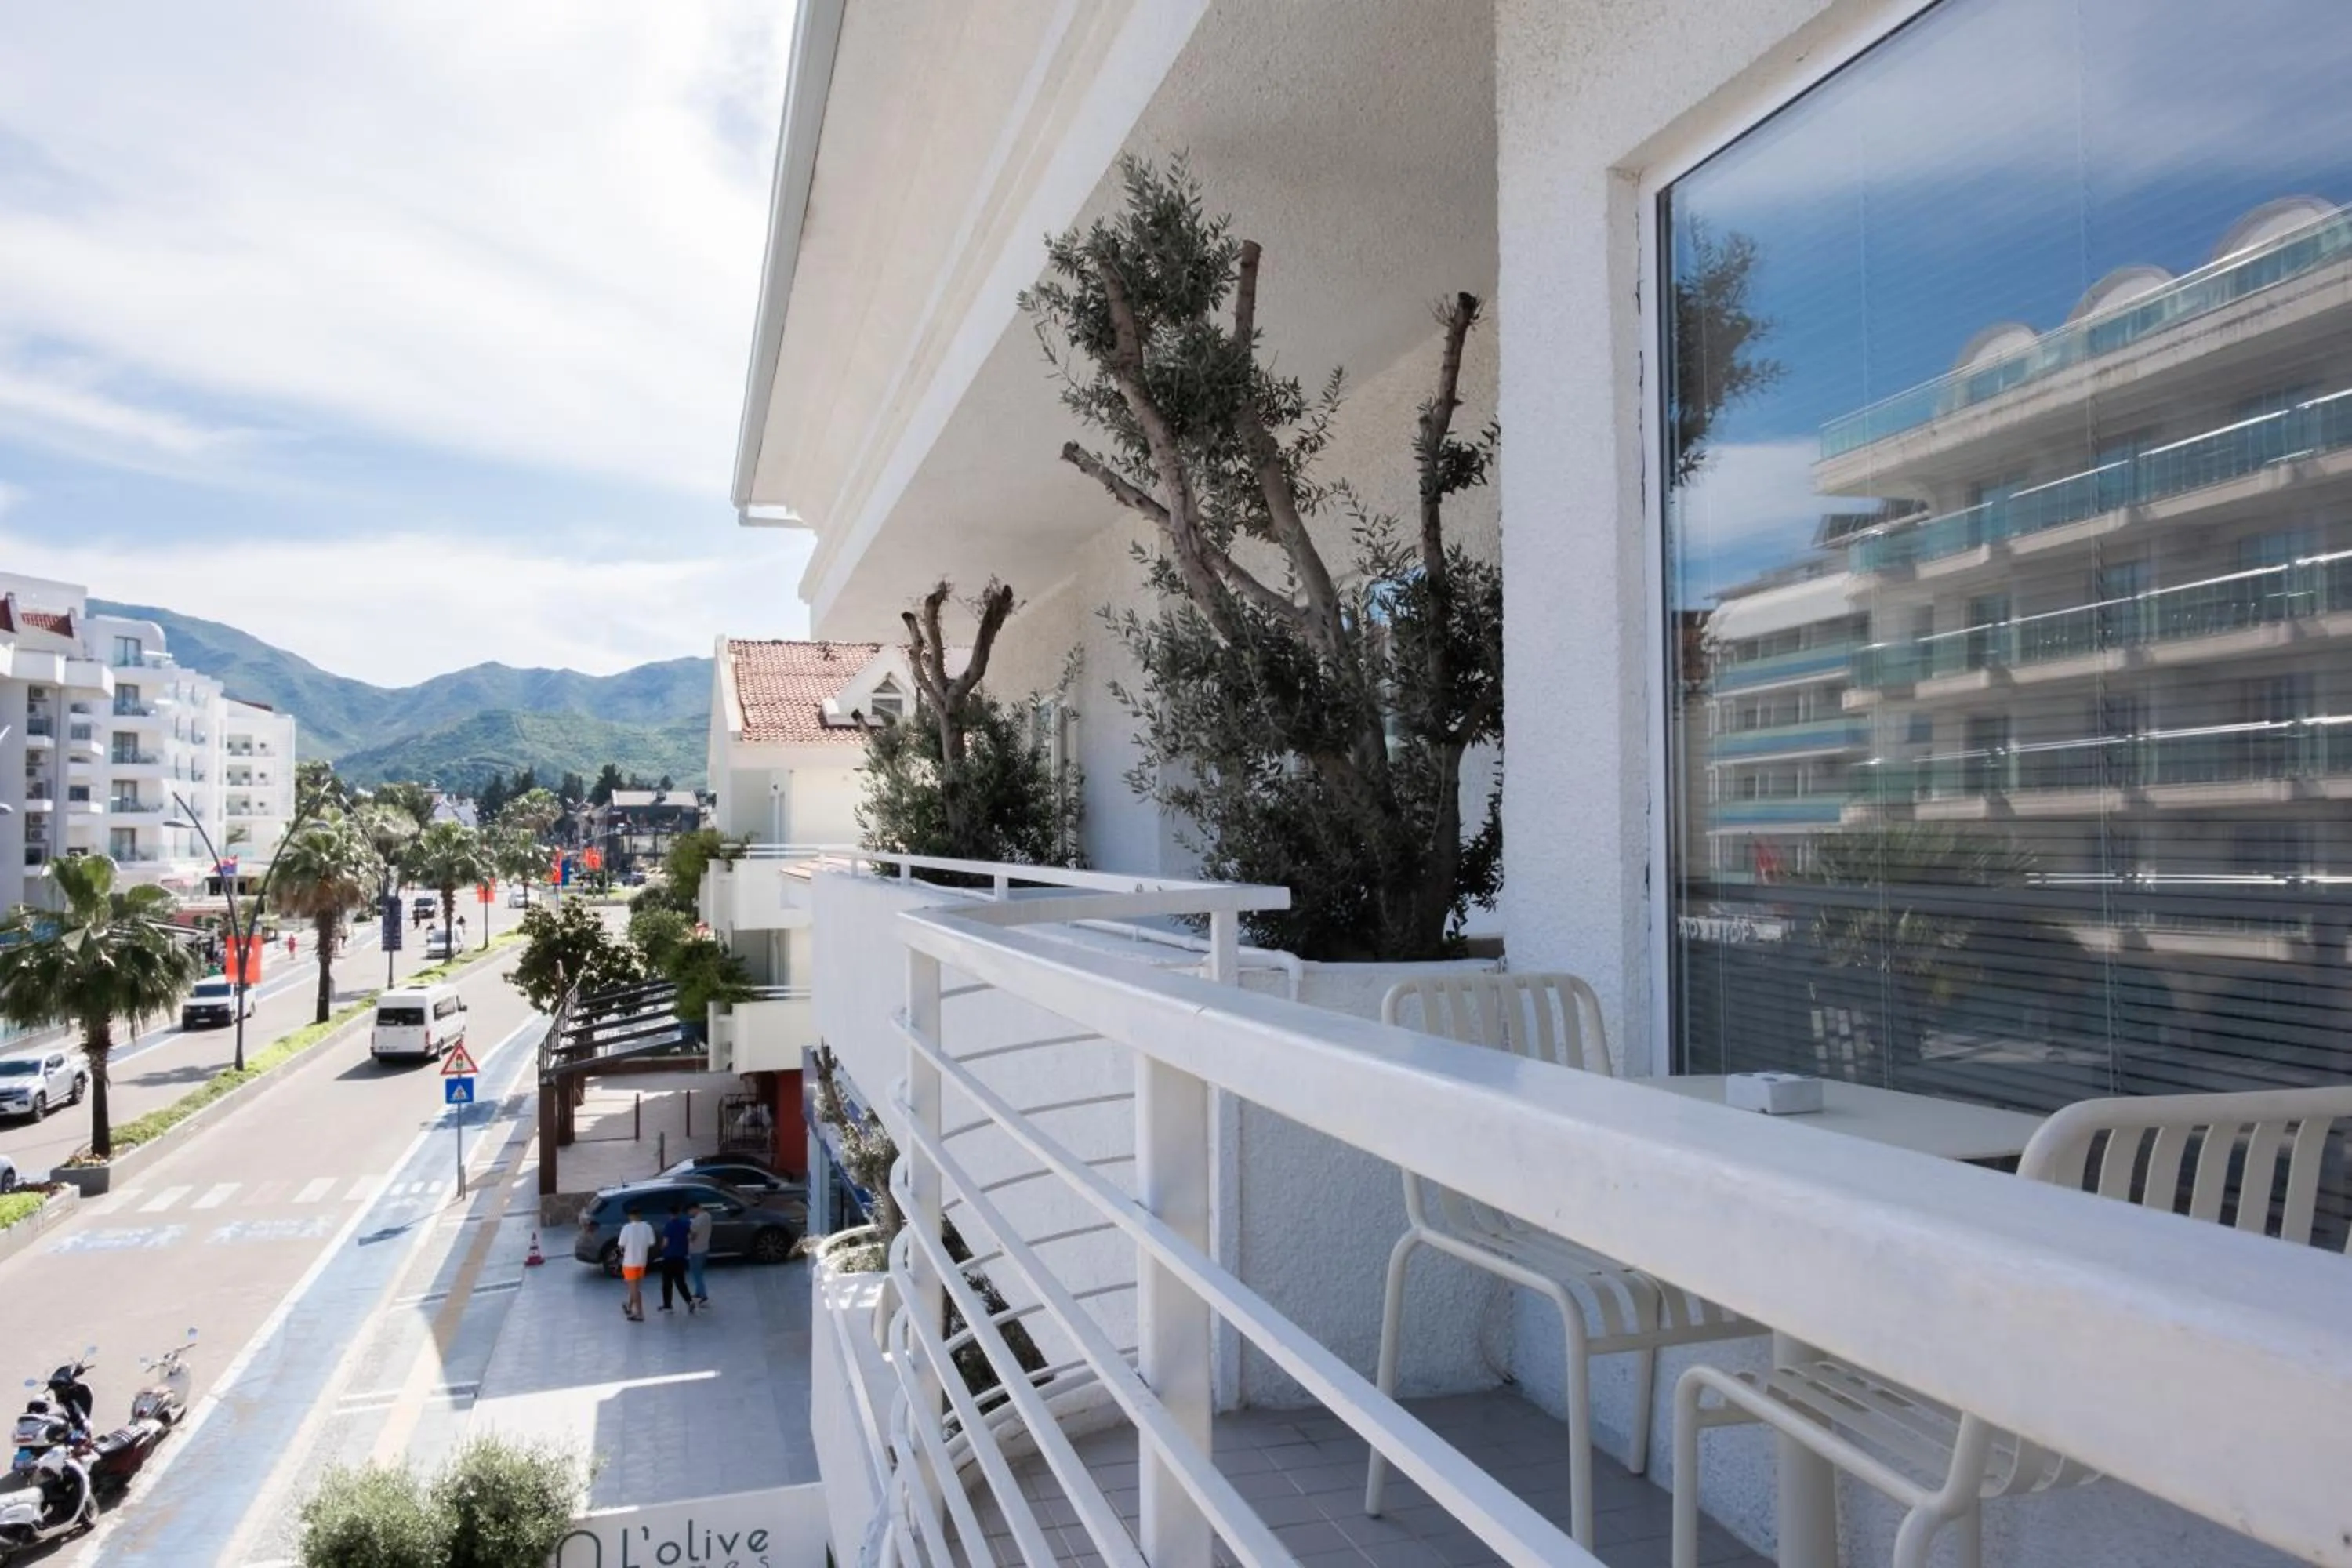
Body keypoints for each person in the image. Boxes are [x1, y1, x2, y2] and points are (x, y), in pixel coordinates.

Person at [616, 1206, 655, 1322]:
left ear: (630, 1216)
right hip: (642, 1261)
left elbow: (621, 1244)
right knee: (636, 1287)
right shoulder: (647, 1227)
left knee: (634, 1290)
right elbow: (651, 1242)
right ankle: (629, 1306)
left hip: (630, 1262)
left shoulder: (627, 1228)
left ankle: (639, 1313)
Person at [658, 1203, 695, 1315]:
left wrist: (661, 1249)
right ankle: (689, 1301)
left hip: (669, 1257)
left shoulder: (669, 1225)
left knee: (667, 1282)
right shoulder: (686, 1223)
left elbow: (665, 1242)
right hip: (681, 1256)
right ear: (679, 1212)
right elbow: (692, 1236)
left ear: (669, 1214)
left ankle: (668, 1305)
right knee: (681, 1281)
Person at [685, 1201, 713, 1308]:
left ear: (694, 1209)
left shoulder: (696, 1221)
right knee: (699, 1271)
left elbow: (692, 1236)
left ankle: (703, 1294)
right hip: (704, 1247)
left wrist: (687, 1235)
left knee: (696, 1273)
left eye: (690, 1212)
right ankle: (698, 1292)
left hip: (695, 1249)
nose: (690, 1214)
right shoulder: (707, 1216)